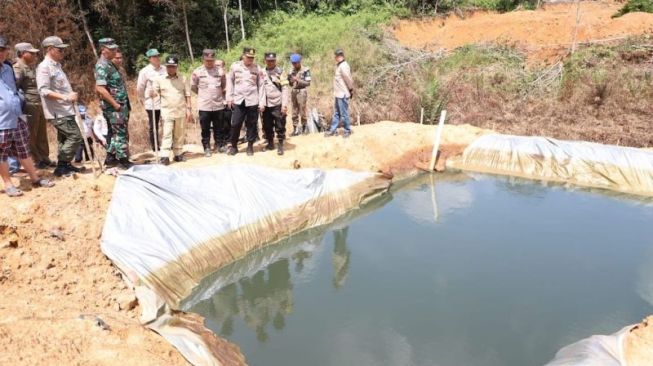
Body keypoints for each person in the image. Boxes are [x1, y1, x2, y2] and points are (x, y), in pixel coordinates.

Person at [0, 35, 54, 196]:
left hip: (16, 116)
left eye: (3, 50)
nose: (1, 53)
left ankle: (35, 178)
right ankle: (8, 184)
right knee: (2, 154)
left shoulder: (8, 68)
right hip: (1, 120)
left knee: (24, 149)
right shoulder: (15, 67)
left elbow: (14, 89)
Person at [36, 36, 84, 177]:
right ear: (50, 49)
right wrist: (65, 97)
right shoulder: (44, 67)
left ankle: (64, 166)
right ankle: (62, 165)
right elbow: (43, 90)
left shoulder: (57, 66)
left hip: (66, 109)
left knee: (64, 139)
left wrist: (70, 94)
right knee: (75, 136)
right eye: (59, 50)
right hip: (57, 111)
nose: (62, 52)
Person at [13, 42, 53, 169]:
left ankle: (44, 158)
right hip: (29, 105)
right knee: (30, 134)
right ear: (22, 53)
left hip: (38, 103)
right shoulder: (18, 67)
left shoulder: (30, 67)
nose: (35, 54)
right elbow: (14, 87)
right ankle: (35, 160)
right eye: (31, 52)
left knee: (41, 133)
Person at [94, 37, 131, 169]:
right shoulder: (102, 65)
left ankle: (111, 158)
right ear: (104, 50)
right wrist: (115, 104)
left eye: (115, 48)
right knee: (120, 132)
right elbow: (99, 88)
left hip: (119, 105)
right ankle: (123, 160)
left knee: (114, 133)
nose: (115, 51)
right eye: (112, 49)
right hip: (114, 107)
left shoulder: (109, 64)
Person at [151, 54, 191, 165]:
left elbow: (187, 94)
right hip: (167, 112)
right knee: (167, 134)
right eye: (168, 66)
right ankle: (164, 156)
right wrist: (152, 93)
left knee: (179, 134)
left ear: (177, 66)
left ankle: (178, 154)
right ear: (166, 67)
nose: (171, 68)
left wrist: (189, 109)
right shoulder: (159, 79)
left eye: (173, 66)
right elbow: (154, 92)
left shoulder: (183, 78)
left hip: (180, 110)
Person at [226, 47, 264, 156]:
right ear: (243, 56)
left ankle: (250, 146)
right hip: (239, 100)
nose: (250, 59)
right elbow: (230, 82)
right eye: (248, 57)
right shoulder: (235, 66)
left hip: (252, 100)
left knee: (252, 124)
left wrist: (261, 102)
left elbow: (261, 86)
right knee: (236, 123)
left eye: (252, 57)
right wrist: (229, 97)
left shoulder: (257, 68)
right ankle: (234, 146)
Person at [191, 49, 227, 157]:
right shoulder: (197, 72)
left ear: (214, 59)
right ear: (203, 59)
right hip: (204, 105)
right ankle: (206, 147)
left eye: (211, 60)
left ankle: (220, 145)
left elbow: (224, 85)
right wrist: (204, 95)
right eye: (207, 60)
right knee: (205, 128)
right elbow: (193, 87)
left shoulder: (220, 71)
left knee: (218, 127)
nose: (209, 62)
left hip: (218, 104)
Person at [259, 52, 289, 156]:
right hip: (266, 104)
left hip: (278, 103)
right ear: (265, 61)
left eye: (272, 60)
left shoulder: (281, 72)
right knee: (267, 125)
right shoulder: (261, 72)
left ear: (275, 61)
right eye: (268, 60)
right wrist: (261, 103)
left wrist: (284, 105)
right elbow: (261, 88)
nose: (270, 62)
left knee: (280, 125)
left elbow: (285, 89)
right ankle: (270, 143)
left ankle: (280, 144)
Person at [136, 49, 166, 152]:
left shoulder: (165, 69)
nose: (157, 58)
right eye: (154, 57)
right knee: (154, 126)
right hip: (152, 102)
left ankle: (168, 145)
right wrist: (142, 99)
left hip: (166, 101)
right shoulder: (144, 71)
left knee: (167, 124)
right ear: (149, 59)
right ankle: (155, 147)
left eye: (158, 56)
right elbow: (140, 88)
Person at [325, 48, 354, 138]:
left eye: (336, 56)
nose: (335, 58)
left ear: (339, 56)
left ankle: (347, 131)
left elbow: (348, 79)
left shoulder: (344, 66)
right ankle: (332, 130)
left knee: (344, 114)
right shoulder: (340, 65)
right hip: (338, 93)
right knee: (337, 113)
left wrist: (351, 89)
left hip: (343, 94)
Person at [288, 53, 311, 136]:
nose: (294, 65)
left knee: (302, 110)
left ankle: (304, 128)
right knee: (294, 111)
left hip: (302, 91)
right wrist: (290, 81)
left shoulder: (305, 70)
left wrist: (298, 80)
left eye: (295, 63)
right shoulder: (291, 70)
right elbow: (290, 84)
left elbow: (308, 83)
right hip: (294, 91)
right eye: (292, 63)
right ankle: (295, 129)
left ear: (299, 62)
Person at [217, 59, 232, 153]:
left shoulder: (228, 76)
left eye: (219, 65)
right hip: (216, 105)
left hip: (227, 103)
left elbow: (228, 89)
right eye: (216, 65)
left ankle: (228, 141)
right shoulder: (213, 76)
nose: (217, 67)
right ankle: (219, 143)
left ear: (223, 67)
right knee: (218, 125)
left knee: (227, 124)